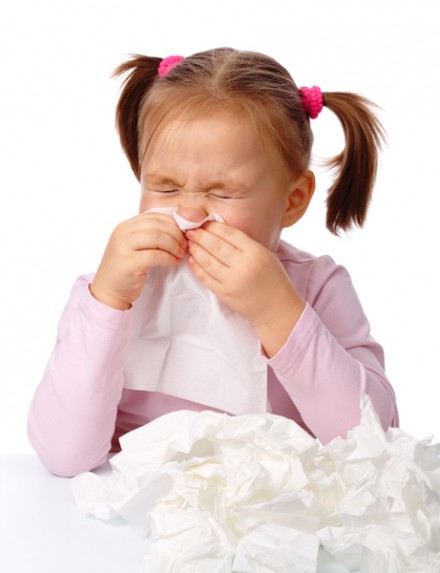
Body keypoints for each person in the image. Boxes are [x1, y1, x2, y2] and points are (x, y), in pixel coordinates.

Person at [28, 48, 398, 477]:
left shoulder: (316, 287)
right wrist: (107, 301)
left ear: (293, 200)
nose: (189, 213)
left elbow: (376, 445)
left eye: (223, 193)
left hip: (270, 514)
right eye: (164, 187)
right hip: (136, 515)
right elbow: (62, 456)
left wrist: (277, 311)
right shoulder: (116, 287)